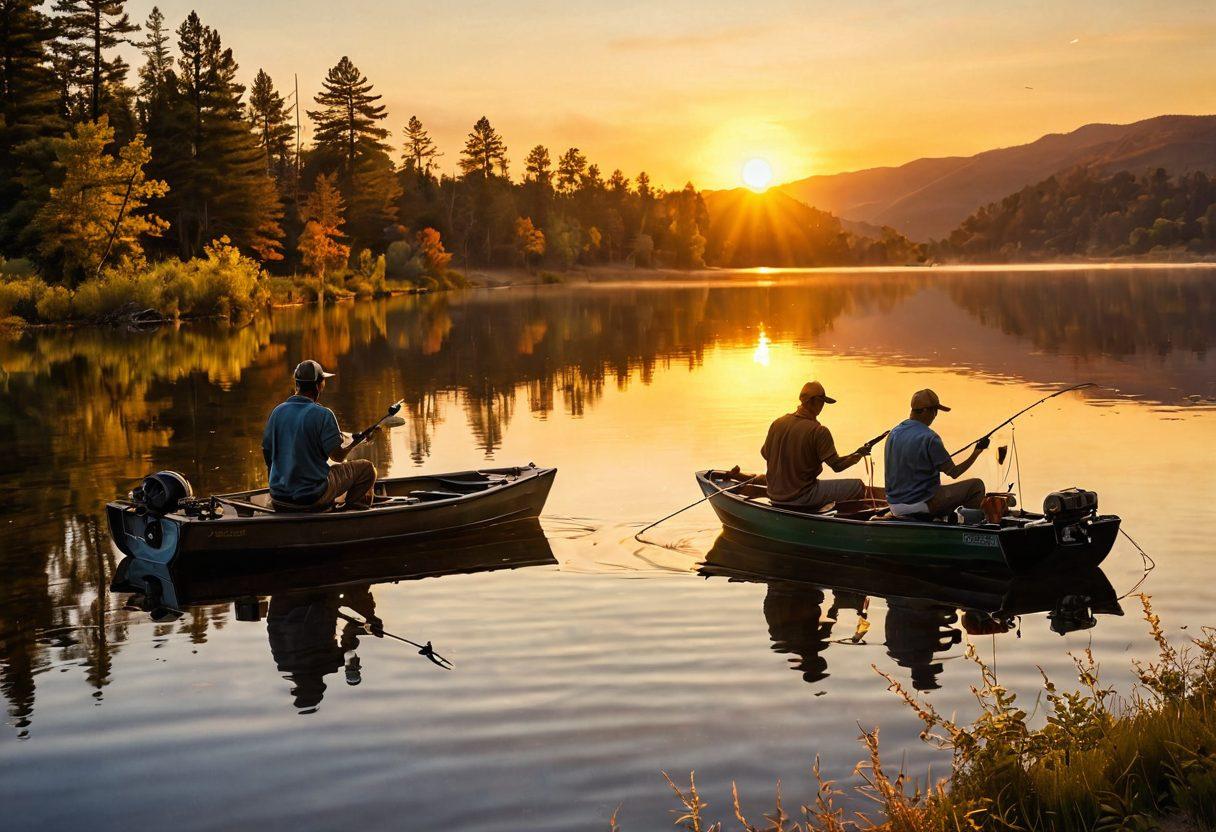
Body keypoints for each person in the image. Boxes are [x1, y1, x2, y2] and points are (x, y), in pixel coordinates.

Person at [262, 359, 377, 511]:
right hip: (311, 497)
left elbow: (267, 452)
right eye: (323, 382)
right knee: (367, 469)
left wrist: (281, 481)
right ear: (318, 385)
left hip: (278, 497)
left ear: (297, 384)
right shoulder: (323, 415)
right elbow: (337, 456)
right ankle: (348, 512)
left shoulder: (277, 412)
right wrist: (356, 442)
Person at [761, 381, 885, 510]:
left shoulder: (778, 423)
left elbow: (765, 454)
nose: (822, 406)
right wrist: (858, 455)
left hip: (774, 494)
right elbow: (837, 466)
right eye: (821, 402)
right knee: (857, 486)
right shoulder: (818, 431)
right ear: (811, 401)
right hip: (802, 495)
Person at [884, 388, 988, 518]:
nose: (935, 416)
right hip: (921, 503)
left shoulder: (893, 433)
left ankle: (942, 518)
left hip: (894, 505)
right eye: (935, 411)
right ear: (927, 411)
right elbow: (954, 473)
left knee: (939, 488)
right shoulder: (930, 437)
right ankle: (968, 527)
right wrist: (976, 453)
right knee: (976, 486)